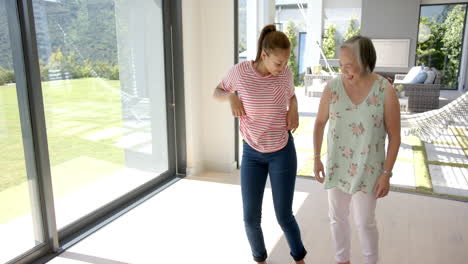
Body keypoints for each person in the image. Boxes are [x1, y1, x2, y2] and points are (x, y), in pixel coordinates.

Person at [213, 24, 307, 264]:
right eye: (278, 63)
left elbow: (291, 94)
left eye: (286, 62)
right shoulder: (240, 73)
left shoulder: (284, 74)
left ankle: (299, 259)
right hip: (252, 153)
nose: (283, 68)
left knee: (284, 216)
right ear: (264, 55)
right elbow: (217, 91)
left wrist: (294, 108)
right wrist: (231, 96)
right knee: (250, 218)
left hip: (281, 152)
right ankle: (260, 259)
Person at [313, 35, 401, 264]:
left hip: (369, 168)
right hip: (338, 164)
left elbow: (395, 136)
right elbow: (319, 123)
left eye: (349, 67)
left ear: (365, 62)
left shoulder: (385, 90)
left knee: (364, 222)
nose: (344, 71)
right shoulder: (332, 87)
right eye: (341, 66)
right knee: (337, 218)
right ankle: (342, 260)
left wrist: (387, 173)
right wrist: (316, 158)